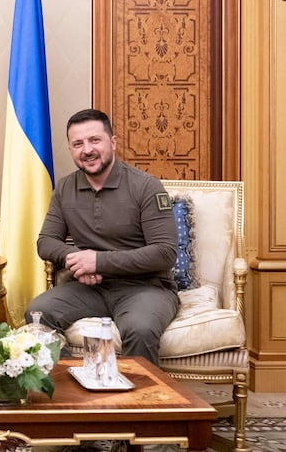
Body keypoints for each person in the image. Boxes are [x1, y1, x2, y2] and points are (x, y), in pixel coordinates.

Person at [25, 108, 179, 365]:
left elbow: (165, 252)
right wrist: (77, 260)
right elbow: (46, 242)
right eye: (77, 144)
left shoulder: (145, 186)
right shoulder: (65, 188)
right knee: (38, 313)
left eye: (95, 140)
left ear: (113, 142)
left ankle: (138, 404)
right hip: (89, 288)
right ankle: (73, 392)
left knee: (140, 330)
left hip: (145, 288)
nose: (87, 150)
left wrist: (98, 262)